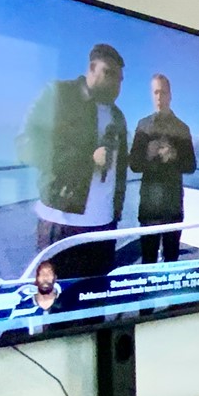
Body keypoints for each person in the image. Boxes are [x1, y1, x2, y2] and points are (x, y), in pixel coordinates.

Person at [17, 43, 129, 280]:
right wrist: (87, 159)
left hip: (104, 226)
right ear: (91, 68)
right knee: (55, 306)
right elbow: (26, 145)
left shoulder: (118, 116)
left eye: (119, 79)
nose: (115, 84)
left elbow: (120, 171)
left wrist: (115, 215)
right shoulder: (59, 94)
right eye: (109, 73)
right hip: (61, 223)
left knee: (95, 306)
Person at [127, 73, 197, 265]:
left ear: (170, 95)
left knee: (171, 262)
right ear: (152, 94)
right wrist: (148, 154)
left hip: (173, 207)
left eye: (163, 92)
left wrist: (174, 155)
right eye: (156, 92)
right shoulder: (143, 126)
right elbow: (134, 164)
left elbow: (191, 165)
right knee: (147, 261)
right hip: (149, 207)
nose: (159, 97)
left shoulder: (182, 128)